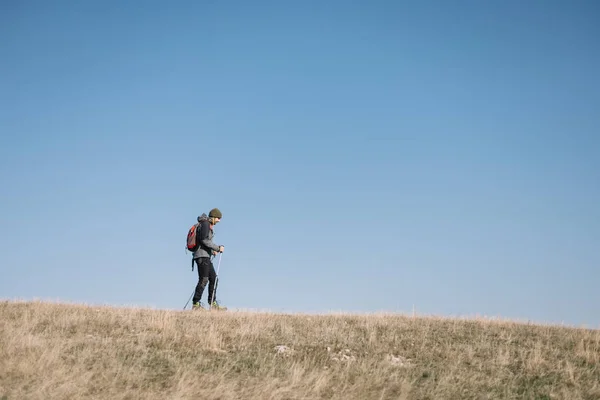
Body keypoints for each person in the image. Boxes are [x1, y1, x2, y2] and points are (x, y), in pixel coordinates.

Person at [192, 208, 225, 310]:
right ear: (213, 217)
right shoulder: (205, 224)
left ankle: (212, 303)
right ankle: (196, 304)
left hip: (205, 256)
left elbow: (204, 242)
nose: (219, 220)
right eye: (218, 218)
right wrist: (217, 248)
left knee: (213, 279)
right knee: (204, 279)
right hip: (202, 256)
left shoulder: (205, 224)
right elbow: (204, 240)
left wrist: (212, 251)